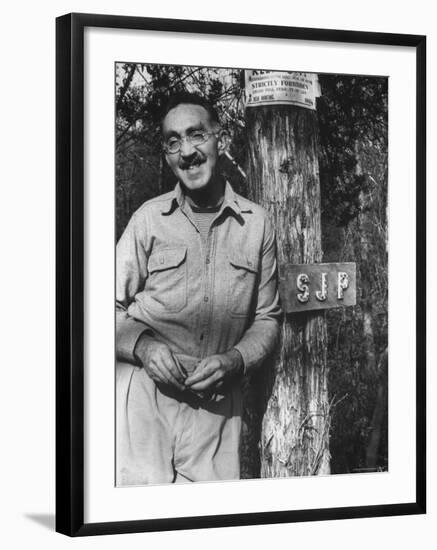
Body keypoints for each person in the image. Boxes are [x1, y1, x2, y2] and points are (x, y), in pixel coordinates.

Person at [116, 92, 282, 486]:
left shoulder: (256, 225)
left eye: (196, 135)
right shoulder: (148, 220)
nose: (186, 151)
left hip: (217, 411)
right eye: (173, 142)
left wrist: (235, 361)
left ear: (218, 139)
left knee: (207, 527)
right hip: (145, 402)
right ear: (166, 154)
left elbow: (267, 318)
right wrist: (143, 346)